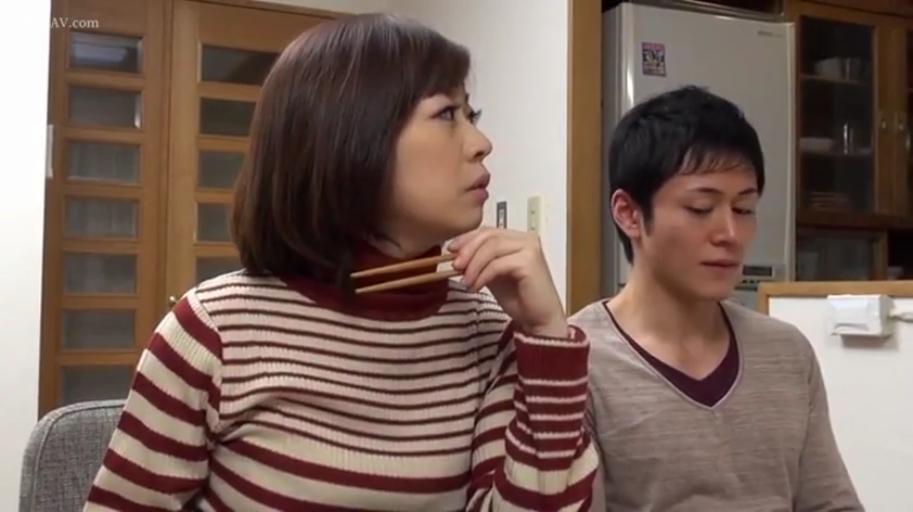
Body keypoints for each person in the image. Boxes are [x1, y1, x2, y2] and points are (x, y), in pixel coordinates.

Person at [83, 13, 598, 512]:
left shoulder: (486, 332)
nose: (482, 144)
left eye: (472, 115)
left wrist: (548, 336)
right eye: (447, 114)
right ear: (350, 135)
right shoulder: (213, 331)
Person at [571, 86, 864, 511]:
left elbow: (830, 503)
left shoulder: (786, 352)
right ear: (629, 214)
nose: (730, 234)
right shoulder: (576, 361)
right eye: (700, 208)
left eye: (744, 209)